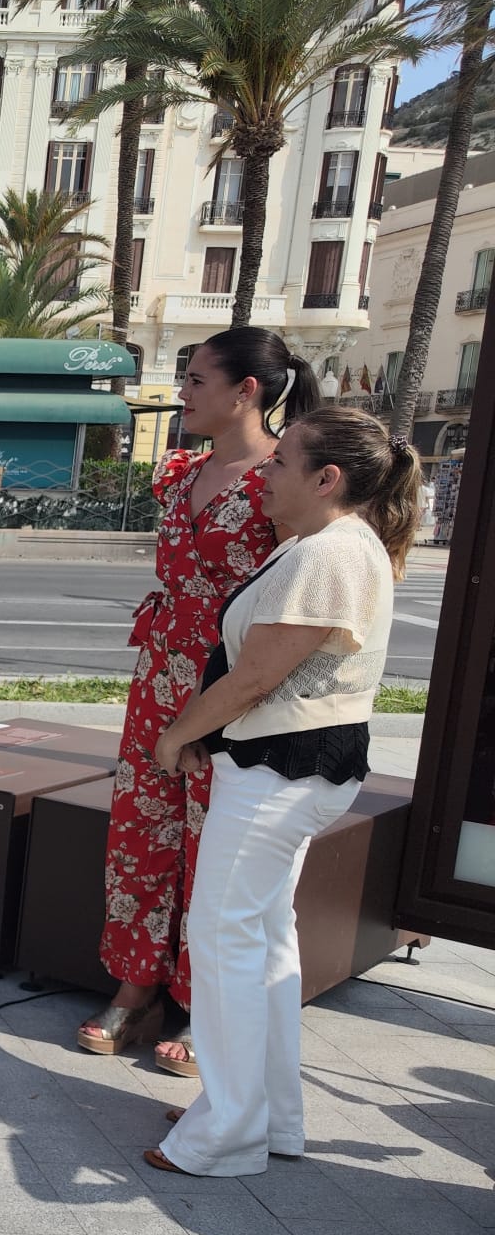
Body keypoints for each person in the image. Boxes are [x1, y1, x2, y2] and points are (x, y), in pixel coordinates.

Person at [147, 408, 414, 1175]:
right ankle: (265, 1115)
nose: (264, 474)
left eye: (282, 462)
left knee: (226, 940)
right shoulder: (333, 546)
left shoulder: (328, 553)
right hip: (291, 768)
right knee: (261, 942)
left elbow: (258, 675)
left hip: (280, 772)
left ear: (326, 479)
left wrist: (177, 734)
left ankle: (226, 1133)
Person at [79, 327, 317, 1076]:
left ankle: (195, 1002)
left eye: (196, 380)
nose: (182, 392)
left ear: (247, 391)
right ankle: (135, 983)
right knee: (141, 830)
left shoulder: (280, 481)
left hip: (233, 683)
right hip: (158, 674)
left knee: (214, 845)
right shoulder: (179, 473)